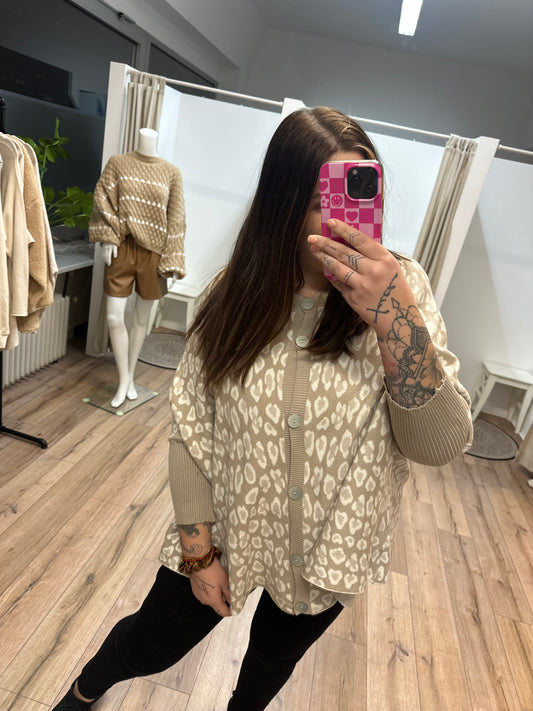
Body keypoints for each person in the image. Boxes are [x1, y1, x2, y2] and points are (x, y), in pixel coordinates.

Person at [52, 107, 472, 711]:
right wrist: (199, 553)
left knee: (269, 665)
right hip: (225, 531)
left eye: (362, 193)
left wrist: (392, 320)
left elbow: (439, 445)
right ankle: (85, 689)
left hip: (328, 550)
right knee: (150, 644)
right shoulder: (233, 295)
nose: (345, 219)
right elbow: (192, 427)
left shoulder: (404, 291)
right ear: (283, 205)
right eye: (323, 202)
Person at [89, 127, 186, 408]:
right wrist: (107, 237)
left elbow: (177, 217)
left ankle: (128, 378)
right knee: (114, 317)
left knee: (141, 320)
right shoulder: (118, 164)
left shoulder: (171, 172)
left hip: (154, 254)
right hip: (121, 248)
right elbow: (103, 199)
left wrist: (174, 259)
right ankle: (124, 379)